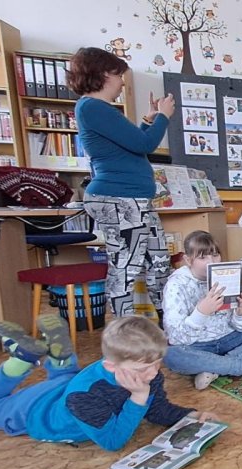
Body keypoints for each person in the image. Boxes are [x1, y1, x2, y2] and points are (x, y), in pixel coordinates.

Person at [0, 314, 218, 452]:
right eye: (143, 369)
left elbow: (157, 409)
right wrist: (138, 398)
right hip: (33, 410)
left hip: (66, 386)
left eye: (157, 364)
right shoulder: (84, 398)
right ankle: (20, 361)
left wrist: (191, 415)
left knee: (71, 379)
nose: (153, 374)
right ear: (111, 366)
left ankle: (62, 360)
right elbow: (113, 441)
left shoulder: (141, 370)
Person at [71, 47, 174, 317]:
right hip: (120, 199)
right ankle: (124, 333)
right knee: (126, 269)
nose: (122, 82)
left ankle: (170, 325)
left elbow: (132, 145)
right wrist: (164, 116)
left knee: (159, 264)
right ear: (104, 74)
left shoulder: (97, 109)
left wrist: (148, 120)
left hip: (133, 200)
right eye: (119, 75)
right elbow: (146, 144)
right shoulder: (92, 107)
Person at [162, 231, 242, 390]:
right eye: (203, 257)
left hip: (229, 339)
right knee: (171, 355)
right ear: (188, 260)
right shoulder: (176, 285)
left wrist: (241, 313)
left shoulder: (227, 275)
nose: (211, 261)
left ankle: (214, 368)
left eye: (215, 255)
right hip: (197, 346)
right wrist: (201, 312)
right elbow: (176, 338)